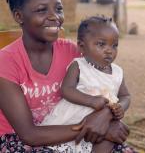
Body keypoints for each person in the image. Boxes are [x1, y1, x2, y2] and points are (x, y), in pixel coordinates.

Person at [0, 0, 136, 152]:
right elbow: (29, 135)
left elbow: (108, 88)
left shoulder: (74, 52)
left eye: (58, 9)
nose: (54, 17)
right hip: (20, 141)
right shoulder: (6, 62)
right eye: (42, 10)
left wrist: (105, 116)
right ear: (19, 16)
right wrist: (90, 126)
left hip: (73, 133)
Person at [41, 16, 131, 152]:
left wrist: (120, 108)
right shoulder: (79, 65)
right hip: (73, 119)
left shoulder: (117, 72)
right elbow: (66, 89)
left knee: (108, 140)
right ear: (82, 46)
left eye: (114, 45)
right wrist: (91, 100)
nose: (109, 50)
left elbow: (126, 96)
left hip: (104, 121)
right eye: (101, 44)